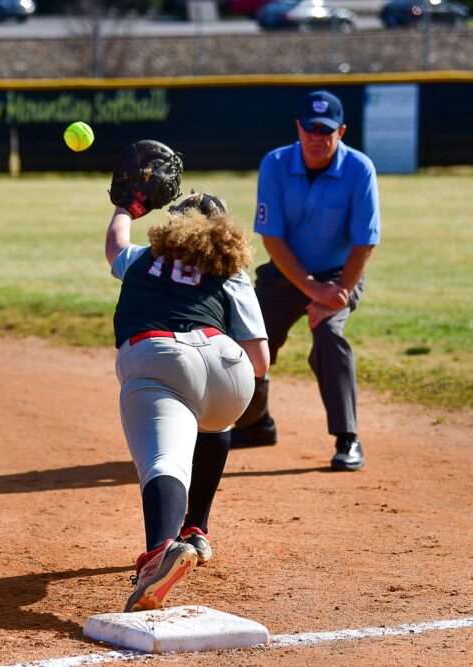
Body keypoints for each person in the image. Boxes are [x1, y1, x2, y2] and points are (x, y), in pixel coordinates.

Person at [106, 192, 269, 613]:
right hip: (228, 368)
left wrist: (125, 207)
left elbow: (115, 246)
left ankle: (161, 549)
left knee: (164, 461)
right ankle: (197, 530)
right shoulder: (231, 272)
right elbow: (260, 360)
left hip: (159, 356)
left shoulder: (143, 258)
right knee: (214, 422)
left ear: (171, 227)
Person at [230, 90, 380, 472]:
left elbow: (365, 242)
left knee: (330, 336)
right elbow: (272, 239)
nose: (316, 136)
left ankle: (348, 438)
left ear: (341, 131)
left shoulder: (359, 169)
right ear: (297, 127)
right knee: (247, 336)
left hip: (340, 275)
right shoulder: (275, 164)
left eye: (325, 129)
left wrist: (333, 293)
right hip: (286, 273)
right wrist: (312, 289)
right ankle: (254, 424)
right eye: (309, 128)